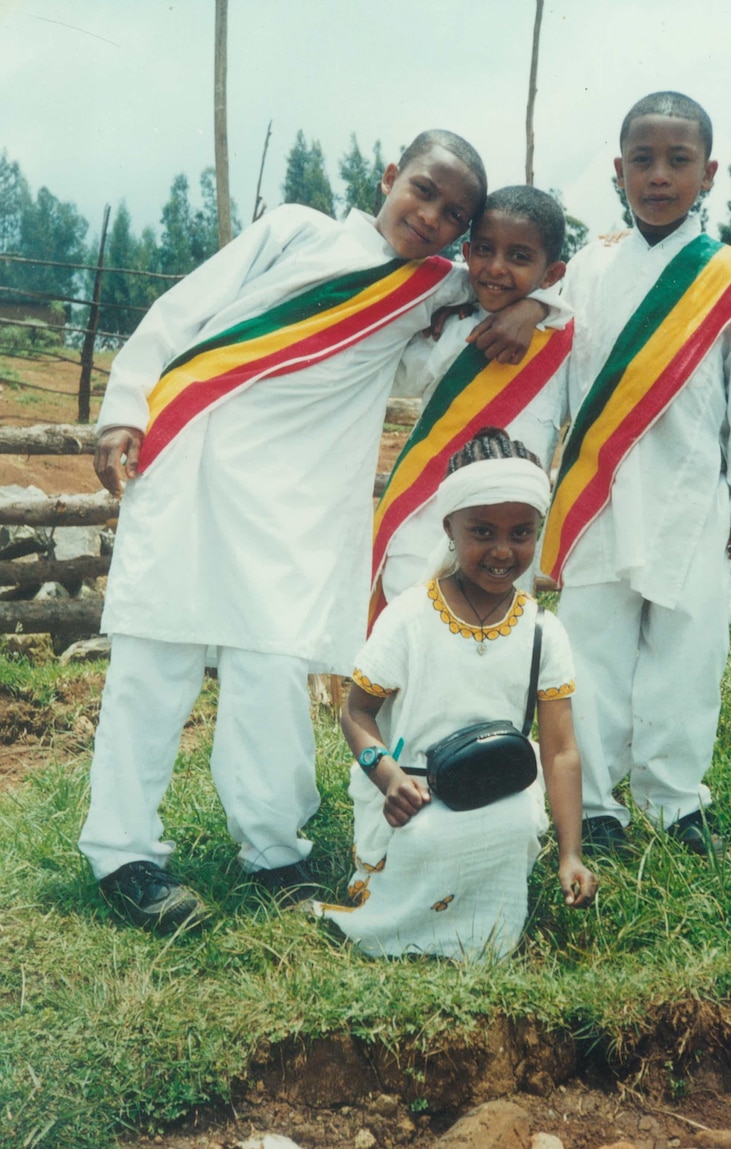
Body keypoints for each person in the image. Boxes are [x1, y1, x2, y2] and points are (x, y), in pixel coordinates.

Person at [80, 130, 556, 932]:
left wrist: (539, 304)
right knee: (153, 660)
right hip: (194, 460)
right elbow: (184, 308)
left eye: (455, 214)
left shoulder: (429, 292)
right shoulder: (296, 230)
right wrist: (125, 405)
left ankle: (274, 852)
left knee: (272, 672)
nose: (432, 217)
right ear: (389, 177)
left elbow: (521, 296)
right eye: (423, 191)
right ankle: (123, 854)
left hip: (291, 504)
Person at [540, 92, 731, 858]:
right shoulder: (587, 267)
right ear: (618, 169)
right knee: (594, 652)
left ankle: (677, 802)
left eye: (679, 161)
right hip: (598, 496)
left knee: (686, 657)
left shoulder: (730, 279)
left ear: (708, 173)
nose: (659, 175)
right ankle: (599, 807)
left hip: (690, 498)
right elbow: (556, 380)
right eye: (643, 159)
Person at [317, 429, 597, 960]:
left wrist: (570, 854)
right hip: (414, 794)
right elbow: (356, 709)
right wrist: (387, 775)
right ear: (449, 527)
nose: (501, 550)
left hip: (500, 788)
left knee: (513, 828)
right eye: (483, 531)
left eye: (521, 533)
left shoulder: (543, 631)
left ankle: (483, 940)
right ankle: (399, 926)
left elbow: (560, 752)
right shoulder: (410, 617)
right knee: (427, 841)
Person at [371, 185, 571, 617]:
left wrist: (539, 307)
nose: (495, 268)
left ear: (552, 274)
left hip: (508, 543)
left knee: (497, 652)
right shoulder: (448, 324)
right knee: (409, 634)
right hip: (424, 521)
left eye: (518, 257)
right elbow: (390, 373)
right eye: (483, 249)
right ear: (466, 251)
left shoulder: (565, 345)